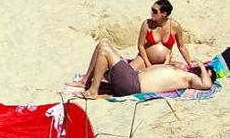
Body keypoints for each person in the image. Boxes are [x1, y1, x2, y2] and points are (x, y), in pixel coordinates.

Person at [75, 40, 213, 98]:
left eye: (205, 73)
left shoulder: (190, 79)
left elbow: (206, 85)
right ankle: (85, 81)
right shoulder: (183, 71)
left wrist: (201, 64)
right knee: (103, 44)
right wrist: (167, 63)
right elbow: (157, 73)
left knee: (104, 50)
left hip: (133, 84)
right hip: (132, 76)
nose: (202, 71)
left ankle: (93, 91)